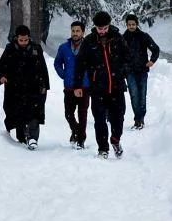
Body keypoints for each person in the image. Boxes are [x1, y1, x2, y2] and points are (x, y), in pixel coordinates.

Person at [74, 10, 128, 158]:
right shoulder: (89, 41)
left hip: (116, 86)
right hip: (97, 88)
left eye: (105, 28)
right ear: (95, 27)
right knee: (99, 119)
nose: (102, 31)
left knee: (119, 117)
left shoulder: (118, 38)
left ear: (109, 26)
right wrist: (78, 85)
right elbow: (80, 64)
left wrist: (123, 72)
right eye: (99, 28)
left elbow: (127, 58)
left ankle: (115, 139)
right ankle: (103, 149)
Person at [0, 24, 50, 149]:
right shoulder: (10, 49)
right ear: (16, 38)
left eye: (26, 40)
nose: (24, 42)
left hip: (33, 86)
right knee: (17, 112)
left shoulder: (36, 49)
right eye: (21, 40)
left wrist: (44, 85)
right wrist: (1, 76)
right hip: (15, 87)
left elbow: (43, 68)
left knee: (34, 112)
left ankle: (32, 138)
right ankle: (21, 137)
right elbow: (1, 65)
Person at [54, 21, 90, 148]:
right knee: (68, 114)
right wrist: (63, 74)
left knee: (82, 114)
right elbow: (57, 63)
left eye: (78, 31)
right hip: (69, 87)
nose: (75, 33)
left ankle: (81, 139)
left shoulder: (89, 46)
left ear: (83, 32)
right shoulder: (64, 47)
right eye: (73, 31)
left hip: (84, 86)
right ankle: (76, 130)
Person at [122, 13, 160, 129]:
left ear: (137, 24)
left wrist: (152, 61)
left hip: (142, 70)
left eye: (133, 24)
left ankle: (141, 118)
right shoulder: (123, 38)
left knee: (142, 95)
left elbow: (155, 49)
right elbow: (119, 54)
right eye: (129, 24)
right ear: (127, 25)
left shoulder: (143, 36)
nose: (132, 26)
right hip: (129, 71)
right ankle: (137, 119)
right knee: (134, 95)